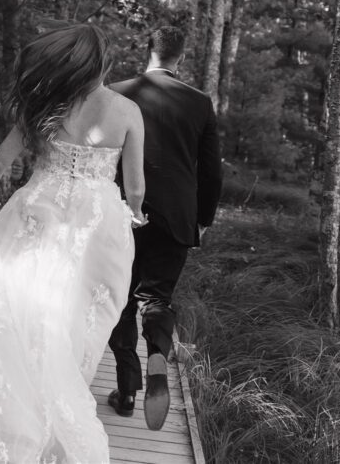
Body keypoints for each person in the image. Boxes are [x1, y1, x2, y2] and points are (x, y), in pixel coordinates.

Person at [0, 24, 146, 464]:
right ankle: (48, 419)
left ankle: (7, 421)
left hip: (39, 211)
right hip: (95, 227)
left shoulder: (44, 105)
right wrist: (136, 213)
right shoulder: (127, 110)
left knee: (15, 308)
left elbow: (1, 157)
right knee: (74, 321)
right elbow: (135, 186)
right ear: (102, 63)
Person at [107, 26, 223, 431]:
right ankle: (157, 347)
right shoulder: (199, 102)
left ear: (148, 51)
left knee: (119, 296)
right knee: (155, 296)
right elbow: (211, 172)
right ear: (182, 58)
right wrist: (202, 219)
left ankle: (126, 390)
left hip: (121, 209)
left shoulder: (118, 91)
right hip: (176, 215)